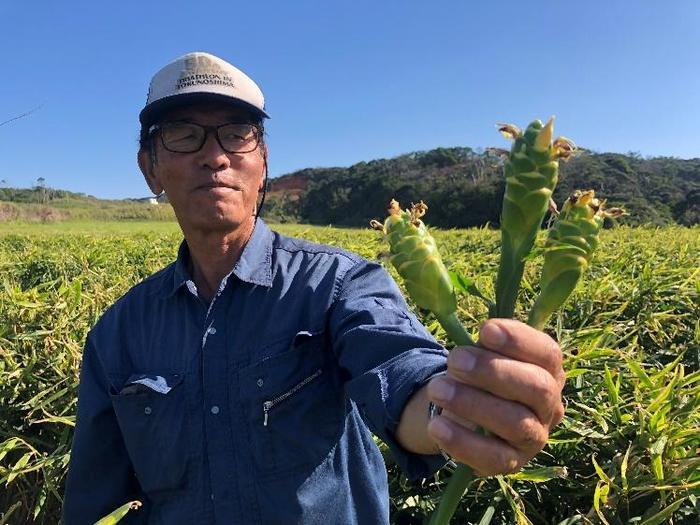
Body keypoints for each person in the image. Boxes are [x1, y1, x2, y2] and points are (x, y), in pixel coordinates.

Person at [62, 52, 565, 525]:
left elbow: (401, 371)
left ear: (262, 167)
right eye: (182, 135)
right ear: (150, 169)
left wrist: (456, 409)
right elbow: (96, 498)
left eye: (237, 134)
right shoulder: (118, 334)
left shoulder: (337, 284)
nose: (215, 156)